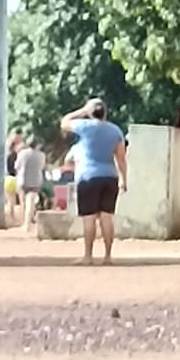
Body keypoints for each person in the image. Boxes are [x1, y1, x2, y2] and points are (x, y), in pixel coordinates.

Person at [60, 98, 127, 265]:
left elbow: (64, 122)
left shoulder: (84, 127)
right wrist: (123, 179)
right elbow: (121, 158)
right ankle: (108, 256)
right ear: (106, 112)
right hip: (110, 176)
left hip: (87, 176)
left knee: (89, 218)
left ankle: (88, 256)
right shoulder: (115, 131)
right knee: (107, 217)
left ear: (91, 113)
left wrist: (82, 110)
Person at [15, 135, 46, 233]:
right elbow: (42, 167)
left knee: (23, 203)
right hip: (36, 181)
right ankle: (28, 224)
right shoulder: (41, 155)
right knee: (31, 202)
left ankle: (24, 223)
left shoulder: (22, 153)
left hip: (22, 180)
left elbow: (16, 166)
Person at [5, 129, 24, 224]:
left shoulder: (7, 150)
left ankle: (11, 218)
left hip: (7, 177)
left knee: (10, 201)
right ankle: (22, 219)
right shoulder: (18, 152)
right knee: (21, 200)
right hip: (15, 177)